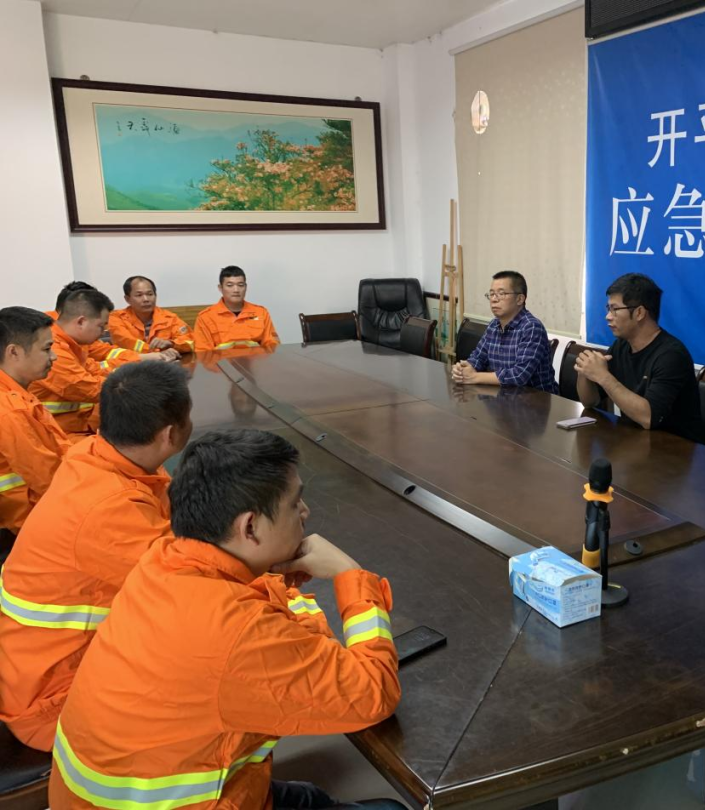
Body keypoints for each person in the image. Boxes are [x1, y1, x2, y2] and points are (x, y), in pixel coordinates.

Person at [49, 429, 403, 810]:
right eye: (294, 504)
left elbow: (262, 637)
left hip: (116, 795)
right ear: (249, 527)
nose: (305, 512)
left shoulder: (164, 560)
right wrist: (351, 575)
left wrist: (271, 578)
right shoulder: (234, 630)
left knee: (312, 797)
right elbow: (373, 693)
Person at [0, 362, 191, 751]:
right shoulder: (108, 508)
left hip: (49, 667)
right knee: (221, 680)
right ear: (171, 434)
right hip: (56, 699)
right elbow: (194, 585)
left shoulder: (96, 454)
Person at [574, 273, 702, 441]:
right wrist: (585, 372)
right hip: (635, 440)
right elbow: (590, 402)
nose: (608, 316)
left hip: (674, 448)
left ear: (640, 313)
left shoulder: (672, 355)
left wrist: (603, 376)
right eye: (608, 309)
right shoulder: (621, 346)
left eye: (615, 309)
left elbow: (648, 417)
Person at [0, 307, 71, 535]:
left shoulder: (16, 392)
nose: (54, 357)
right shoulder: (9, 410)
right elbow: (47, 480)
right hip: (28, 523)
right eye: (47, 349)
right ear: (14, 352)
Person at [451, 271, 558, 394]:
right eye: (491, 294)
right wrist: (463, 369)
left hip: (536, 400)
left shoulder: (532, 327)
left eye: (501, 294)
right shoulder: (493, 325)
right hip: (502, 396)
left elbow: (519, 375)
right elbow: (478, 358)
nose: (494, 300)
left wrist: (474, 377)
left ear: (520, 299)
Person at [30, 288, 115, 435]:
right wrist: (131, 384)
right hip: (57, 433)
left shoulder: (73, 345)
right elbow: (88, 388)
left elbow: (94, 369)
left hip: (76, 426)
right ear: (81, 321)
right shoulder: (54, 349)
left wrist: (125, 372)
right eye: (101, 326)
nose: (102, 333)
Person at [51, 281, 178, 370]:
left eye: (149, 294)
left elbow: (102, 357)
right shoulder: (52, 344)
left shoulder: (74, 335)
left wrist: (148, 357)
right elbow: (86, 386)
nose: (103, 332)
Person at [194, 266, 280, 352]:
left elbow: (272, 344)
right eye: (230, 285)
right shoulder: (206, 317)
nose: (236, 290)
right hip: (222, 360)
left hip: (256, 359)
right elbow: (203, 353)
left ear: (246, 287)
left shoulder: (261, 312)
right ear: (220, 288)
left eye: (240, 285)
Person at [109, 275, 195, 355]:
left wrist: (171, 344)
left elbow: (190, 341)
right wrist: (158, 352)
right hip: (132, 364)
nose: (146, 299)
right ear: (127, 299)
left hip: (167, 364)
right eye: (139, 295)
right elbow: (127, 343)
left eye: (150, 294)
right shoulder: (117, 318)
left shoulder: (169, 318)